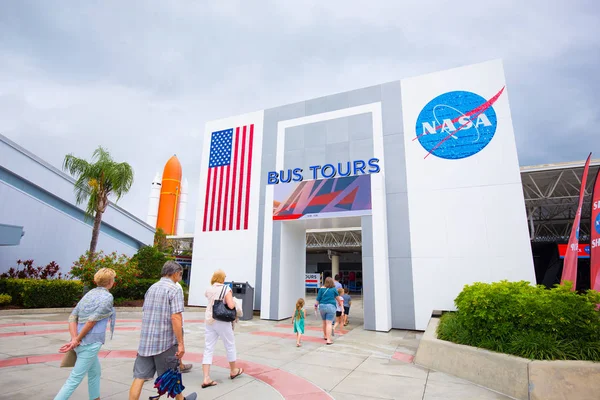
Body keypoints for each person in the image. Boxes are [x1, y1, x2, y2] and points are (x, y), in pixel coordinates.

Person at [129, 261, 197, 400]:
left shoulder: (152, 287)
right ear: (176, 273)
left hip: (146, 341)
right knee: (171, 373)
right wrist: (181, 343)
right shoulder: (174, 289)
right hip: (165, 341)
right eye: (180, 274)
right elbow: (176, 317)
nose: (180, 277)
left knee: (139, 377)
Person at [55, 268, 117, 400]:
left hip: (81, 341)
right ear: (111, 282)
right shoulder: (107, 297)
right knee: (74, 379)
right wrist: (76, 339)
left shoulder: (89, 294)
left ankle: (95, 398)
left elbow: (72, 317)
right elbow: (92, 321)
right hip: (90, 342)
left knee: (95, 372)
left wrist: (74, 338)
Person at [202, 269, 243, 388]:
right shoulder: (226, 289)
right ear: (222, 278)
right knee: (229, 345)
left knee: (208, 348)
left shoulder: (209, 289)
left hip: (210, 320)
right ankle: (233, 370)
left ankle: (206, 377)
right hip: (222, 321)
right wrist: (235, 302)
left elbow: (209, 299)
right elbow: (230, 305)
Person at [314, 277, 337, 345]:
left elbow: (318, 299)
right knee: (329, 323)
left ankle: (325, 336)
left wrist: (315, 306)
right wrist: (341, 306)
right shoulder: (333, 289)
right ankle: (329, 340)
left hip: (322, 307)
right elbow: (337, 298)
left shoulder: (321, 289)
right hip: (331, 306)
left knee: (324, 322)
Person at [176, 281, 193, 373]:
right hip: (174, 322)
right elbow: (177, 309)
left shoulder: (155, 286)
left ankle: (180, 364)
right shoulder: (176, 287)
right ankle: (179, 365)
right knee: (177, 344)